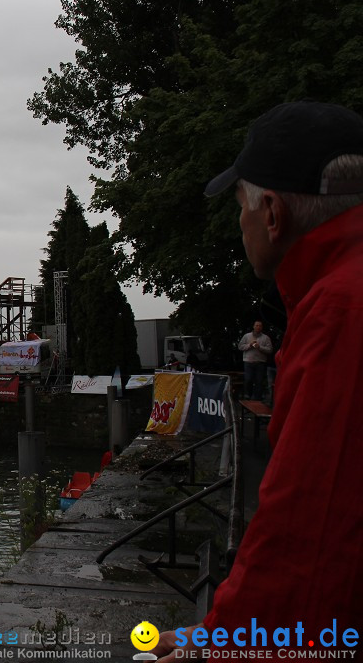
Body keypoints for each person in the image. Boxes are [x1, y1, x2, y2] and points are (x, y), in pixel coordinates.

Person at [155, 101, 363, 660]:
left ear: (272, 213)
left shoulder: (342, 310)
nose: (239, 221)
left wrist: (226, 645)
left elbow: (308, 533)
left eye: (240, 205)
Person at [237, 320, 272, 400]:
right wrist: (250, 345)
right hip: (248, 362)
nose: (258, 327)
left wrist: (259, 347)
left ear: (262, 327)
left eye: (260, 326)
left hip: (260, 362)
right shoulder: (247, 336)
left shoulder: (265, 338)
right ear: (253, 326)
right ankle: (248, 396)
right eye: (256, 325)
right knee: (248, 379)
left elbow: (270, 350)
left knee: (259, 382)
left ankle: (257, 399)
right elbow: (240, 346)